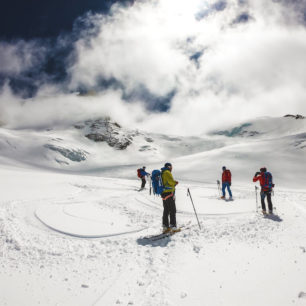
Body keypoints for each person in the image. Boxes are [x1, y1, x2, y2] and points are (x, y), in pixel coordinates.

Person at [161, 162, 179, 233]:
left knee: (166, 210)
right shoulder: (167, 172)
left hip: (163, 194)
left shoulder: (162, 173)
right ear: (169, 167)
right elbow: (171, 181)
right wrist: (175, 183)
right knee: (172, 210)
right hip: (169, 194)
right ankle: (173, 226)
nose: (171, 168)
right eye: (171, 167)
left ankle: (165, 227)